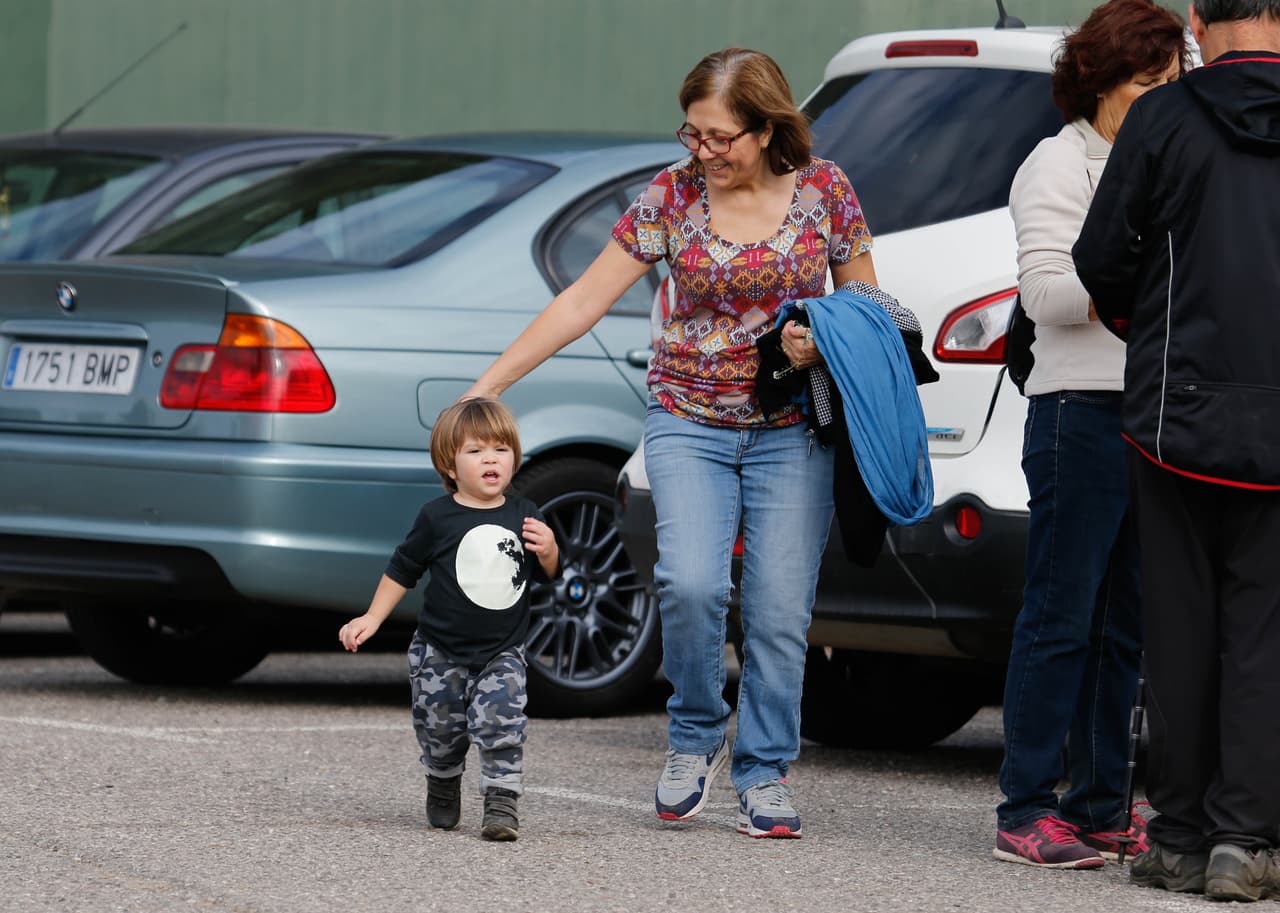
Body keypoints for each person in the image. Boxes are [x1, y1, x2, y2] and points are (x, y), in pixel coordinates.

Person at [463, 48, 877, 838]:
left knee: (779, 610)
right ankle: (694, 733)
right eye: (693, 134)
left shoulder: (827, 191)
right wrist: (491, 384)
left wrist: (816, 343)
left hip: (792, 431)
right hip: (688, 418)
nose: (705, 153)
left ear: (766, 128)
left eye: (722, 137)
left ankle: (763, 769)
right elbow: (584, 298)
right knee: (690, 586)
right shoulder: (671, 195)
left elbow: (868, 308)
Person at [1073, 0, 1280, 900]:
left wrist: (1147, 330)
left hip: (1175, 414)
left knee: (1181, 630)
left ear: (1200, 16)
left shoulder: (1161, 117)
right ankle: (1245, 839)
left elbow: (1102, 259)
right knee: (1265, 635)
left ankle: (1183, 833)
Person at [993, 0, 1187, 870]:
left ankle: (1105, 805)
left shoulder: (1167, 158)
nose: (1161, 101)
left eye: (1172, 85)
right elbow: (1046, 295)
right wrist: (1145, 277)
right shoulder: (1057, 164)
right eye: (1147, 85)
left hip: (1152, 411)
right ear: (1099, 86)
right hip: (1078, 413)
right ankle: (1025, 808)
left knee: (1126, 628)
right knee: (1059, 619)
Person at [338, 398, 559, 842]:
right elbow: (403, 568)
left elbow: (547, 575)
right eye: (475, 451)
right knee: (439, 729)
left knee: (503, 723)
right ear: (451, 465)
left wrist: (550, 548)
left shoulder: (526, 514)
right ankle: (442, 778)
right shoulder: (437, 517)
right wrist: (373, 617)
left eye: (500, 449)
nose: (491, 459)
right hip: (439, 650)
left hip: (502, 651)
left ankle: (501, 803)